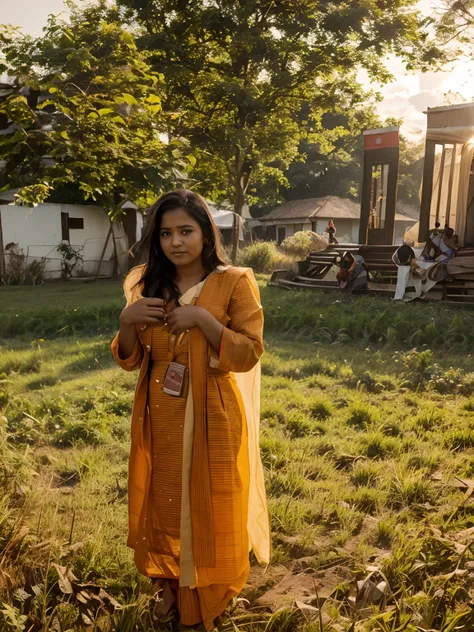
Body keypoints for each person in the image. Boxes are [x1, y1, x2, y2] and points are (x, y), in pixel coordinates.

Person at [111, 190, 270, 631]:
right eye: (165, 233)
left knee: (214, 503)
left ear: (206, 233)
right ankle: (169, 587)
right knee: (167, 504)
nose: (176, 242)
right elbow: (131, 359)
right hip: (161, 414)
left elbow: (249, 352)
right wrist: (127, 322)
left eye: (186, 230)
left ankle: (205, 601)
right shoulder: (143, 284)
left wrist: (203, 320)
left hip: (214, 413)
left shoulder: (234, 281)